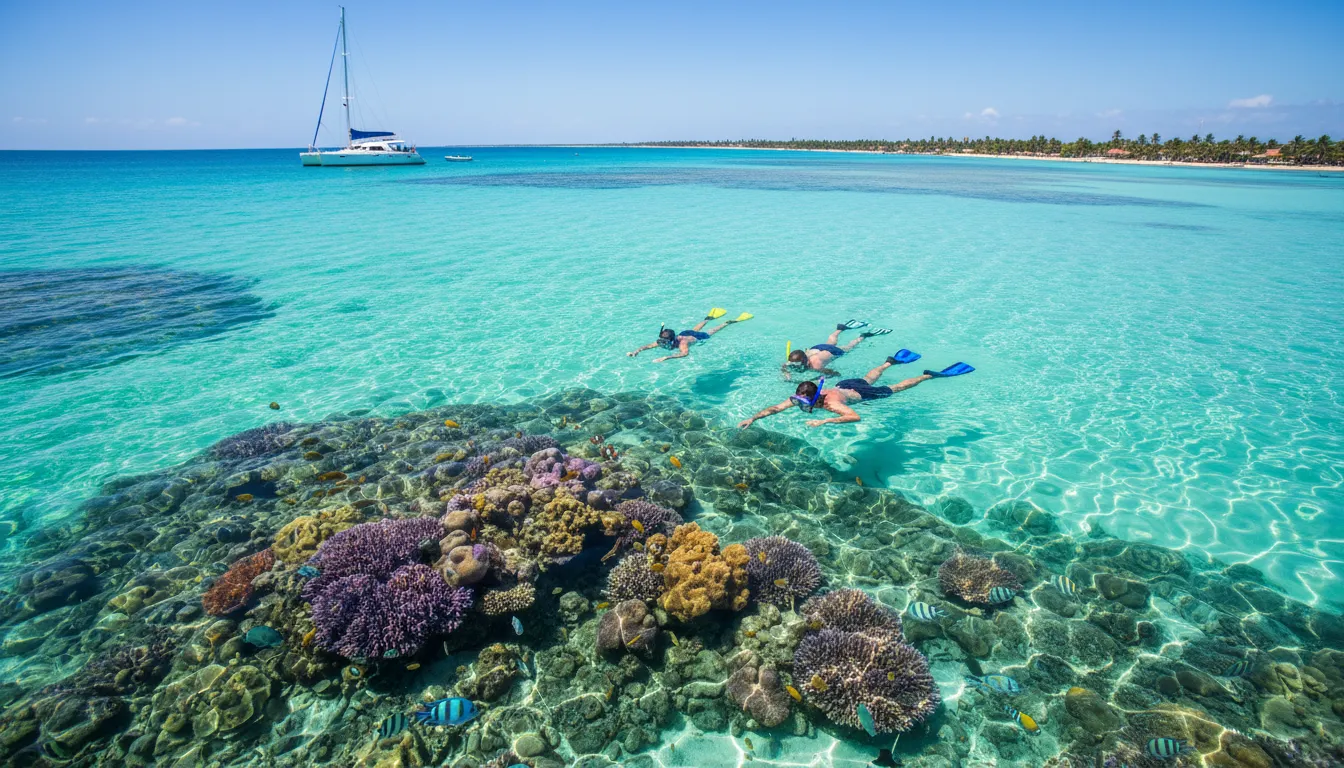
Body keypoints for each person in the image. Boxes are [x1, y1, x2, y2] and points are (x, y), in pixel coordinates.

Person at [738, 350, 974, 428]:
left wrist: (824, 422)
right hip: (846, 385)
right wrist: (753, 418)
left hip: (860, 395)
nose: (798, 405)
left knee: (896, 388)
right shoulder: (803, 396)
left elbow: (855, 416)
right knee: (866, 377)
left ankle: (925, 376)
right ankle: (889, 362)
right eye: (797, 401)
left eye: (802, 403)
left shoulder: (831, 404)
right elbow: (775, 408)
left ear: (814, 400)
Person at [628, 308, 753, 363]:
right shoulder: (664, 340)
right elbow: (648, 346)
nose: (661, 342)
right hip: (685, 333)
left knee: (712, 331)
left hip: (698, 337)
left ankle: (728, 322)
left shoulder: (683, 343)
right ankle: (708, 318)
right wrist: (636, 351)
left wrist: (667, 357)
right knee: (694, 329)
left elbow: (684, 354)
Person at [783, 320, 891, 377]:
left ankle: (863, 336)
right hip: (817, 349)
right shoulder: (793, 361)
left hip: (832, 352)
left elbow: (834, 373)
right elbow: (784, 366)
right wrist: (786, 373)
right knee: (830, 342)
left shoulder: (816, 366)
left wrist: (822, 376)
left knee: (849, 347)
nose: (793, 367)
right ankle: (839, 329)